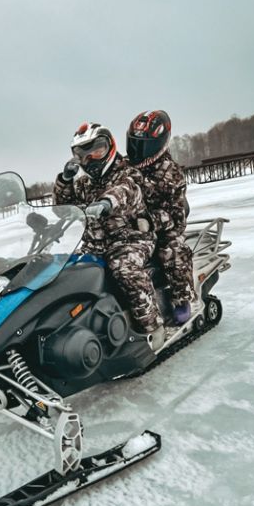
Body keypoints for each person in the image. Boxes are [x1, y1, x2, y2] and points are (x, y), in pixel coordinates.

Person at [54, 122, 165, 349]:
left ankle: (152, 327)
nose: (91, 158)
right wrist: (65, 180)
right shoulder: (84, 183)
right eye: (82, 154)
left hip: (131, 238)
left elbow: (126, 191)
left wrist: (107, 202)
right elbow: (62, 206)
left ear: (110, 147)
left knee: (123, 268)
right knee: (66, 273)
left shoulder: (127, 172)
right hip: (95, 243)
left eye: (97, 150)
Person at [126, 111, 196, 324]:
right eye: (134, 142)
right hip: (133, 227)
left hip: (166, 227)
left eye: (142, 144)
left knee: (171, 251)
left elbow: (176, 214)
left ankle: (182, 298)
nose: (137, 148)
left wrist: (150, 221)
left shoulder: (170, 172)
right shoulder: (127, 166)